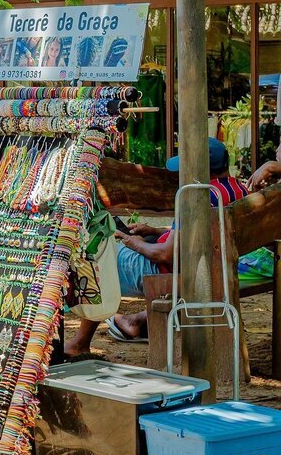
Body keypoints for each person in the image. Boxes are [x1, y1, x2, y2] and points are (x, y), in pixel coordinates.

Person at [65, 138, 246, 357]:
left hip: (170, 270)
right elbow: (204, 236)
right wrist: (156, 231)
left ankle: (79, 343)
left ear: (199, 167)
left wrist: (134, 242)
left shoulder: (196, 195)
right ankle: (131, 323)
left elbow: (164, 254)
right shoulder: (238, 190)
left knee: (96, 259)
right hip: (214, 267)